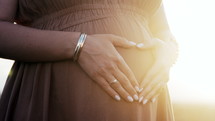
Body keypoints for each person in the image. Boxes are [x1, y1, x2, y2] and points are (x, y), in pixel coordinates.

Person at [0, 0, 178, 121]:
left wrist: (166, 54)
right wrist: (79, 45)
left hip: (147, 103)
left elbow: (162, 30)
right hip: (61, 95)